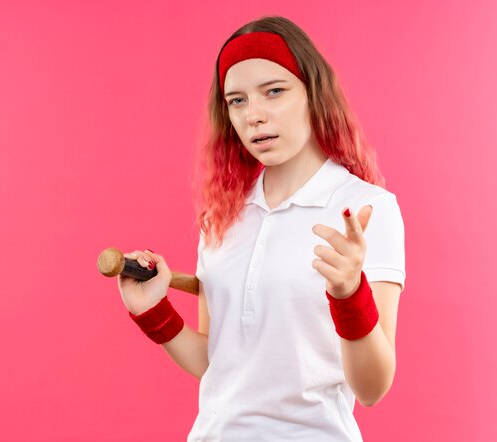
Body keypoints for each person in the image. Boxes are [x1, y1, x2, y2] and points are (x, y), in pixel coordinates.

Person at [117, 15, 405, 441]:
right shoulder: (222, 215)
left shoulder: (366, 210)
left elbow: (372, 388)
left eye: (274, 91)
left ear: (313, 94)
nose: (254, 115)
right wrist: (152, 312)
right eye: (237, 100)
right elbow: (219, 365)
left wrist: (349, 295)